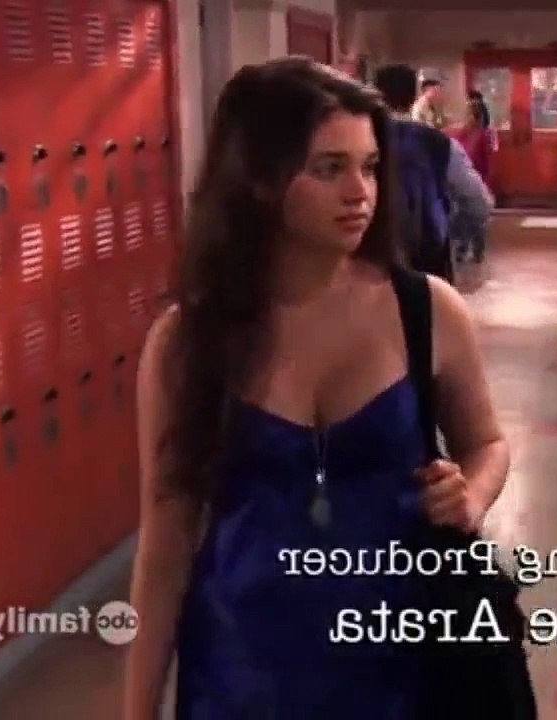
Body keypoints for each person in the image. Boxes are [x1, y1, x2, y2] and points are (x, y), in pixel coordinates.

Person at [122, 58, 512, 719]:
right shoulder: (189, 341)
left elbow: (488, 443)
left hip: (401, 665)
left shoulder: (426, 310)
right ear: (258, 180)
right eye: (329, 168)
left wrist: (469, 494)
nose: (360, 192)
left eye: (370, 167)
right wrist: (136, 709)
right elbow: (164, 543)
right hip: (240, 672)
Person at [374, 64, 493, 281]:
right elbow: (480, 202)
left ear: (375, 95)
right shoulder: (439, 143)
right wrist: (452, 231)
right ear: (413, 96)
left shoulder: (360, 140)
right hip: (427, 260)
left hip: (370, 259)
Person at [446, 98, 495, 263]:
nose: (468, 118)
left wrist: (485, 183)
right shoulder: (458, 133)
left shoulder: (482, 135)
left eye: (471, 115)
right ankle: (462, 247)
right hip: (459, 180)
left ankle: (477, 249)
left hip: (476, 179)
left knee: (476, 218)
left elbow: (486, 163)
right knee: (461, 215)